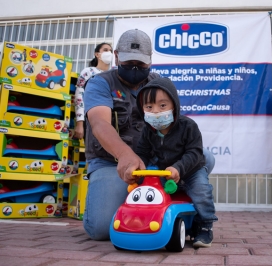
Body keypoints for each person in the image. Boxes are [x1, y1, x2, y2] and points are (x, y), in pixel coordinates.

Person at [82, 29, 215, 241]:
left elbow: (174, 121)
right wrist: (125, 155)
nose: (135, 68)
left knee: (204, 157)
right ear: (116, 56)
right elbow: (99, 124)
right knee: (101, 229)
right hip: (111, 162)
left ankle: (185, 203)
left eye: (141, 64)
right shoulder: (100, 83)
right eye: (128, 63)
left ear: (150, 60)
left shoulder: (158, 82)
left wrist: (177, 165)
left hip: (155, 159)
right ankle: (136, 197)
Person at [135, 77, 218, 248]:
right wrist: (137, 169)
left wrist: (178, 167)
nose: (156, 111)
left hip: (191, 170)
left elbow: (194, 152)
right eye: (149, 107)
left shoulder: (188, 126)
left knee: (201, 191)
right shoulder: (147, 131)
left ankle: (204, 225)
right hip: (165, 172)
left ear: (174, 105)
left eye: (162, 105)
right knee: (153, 194)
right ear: (142, 109)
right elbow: (142, 153)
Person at [73, 42, 113, 139]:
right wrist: (80, 124)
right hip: (92, 120)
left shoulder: (113, 75)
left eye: (111, 51)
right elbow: (79, 97)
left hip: (112, 122)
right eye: (106, 50)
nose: (109, 53)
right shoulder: (88, 72)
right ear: (97, 54)